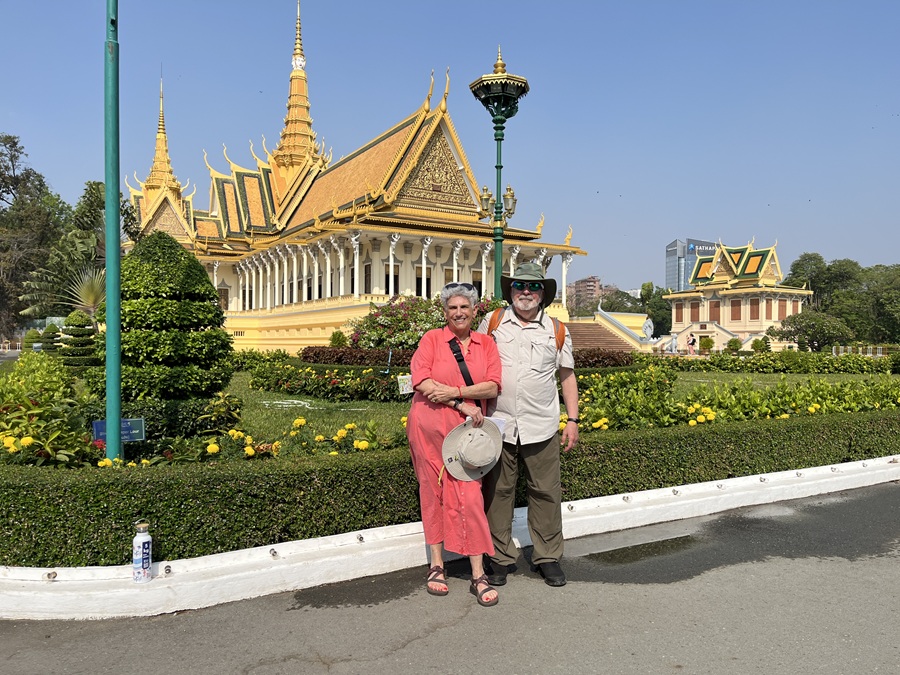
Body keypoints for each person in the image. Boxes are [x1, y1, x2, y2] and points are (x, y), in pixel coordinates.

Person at [477, 263, 579, 587]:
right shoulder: (492, 323)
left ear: (542, 294)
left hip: (541, 424)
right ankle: (499, 557)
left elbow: (567, 376)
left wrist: (573, 420)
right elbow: (472, 364)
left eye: (533, 287)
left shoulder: (556, 329)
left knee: (545, 492)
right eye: (520, 285)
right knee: (498, 492)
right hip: (499, 424)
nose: (526, 292)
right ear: (510, 290)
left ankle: (548, 556)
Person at [406, 282, 503, 606]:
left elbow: (492, 386)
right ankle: (437, 564)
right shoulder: (432, 339)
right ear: (444, 312)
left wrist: (456, 393)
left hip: (468, 437)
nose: (459, 313)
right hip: (429, 429)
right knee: (432, 494)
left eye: (465, 307)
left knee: (470, 496)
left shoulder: (486, 344)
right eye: (453, 308)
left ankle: (478, 573)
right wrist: (461, 403)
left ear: (475, 311)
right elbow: (421, 379)